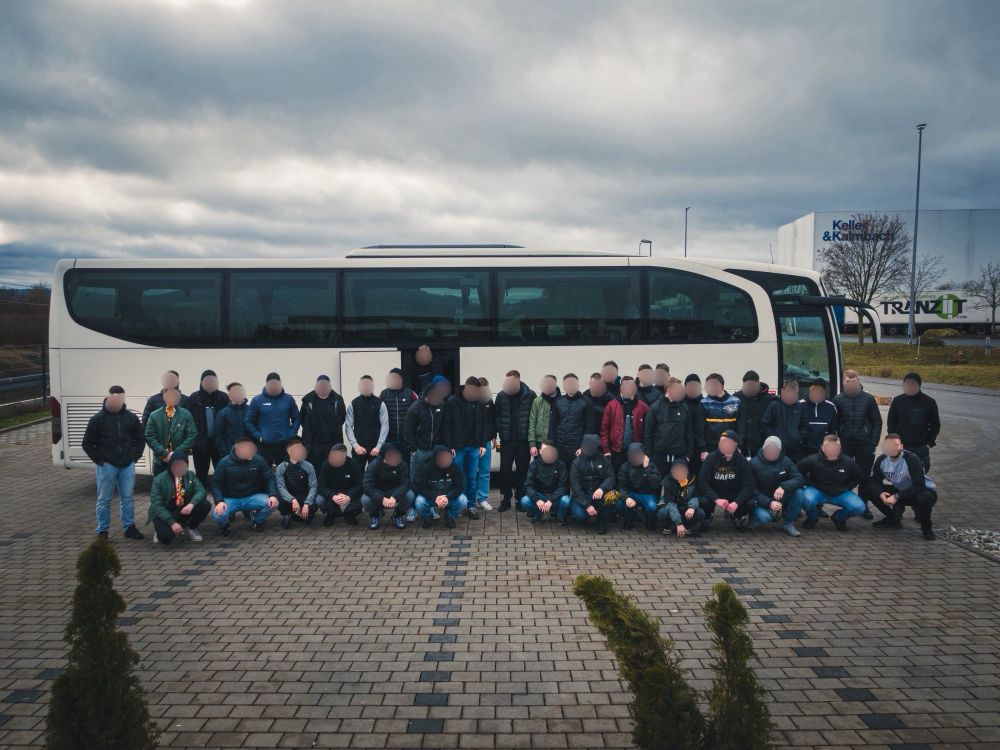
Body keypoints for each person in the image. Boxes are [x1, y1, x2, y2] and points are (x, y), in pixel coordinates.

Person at [82, 385, 146, 540]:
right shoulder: (97, 419)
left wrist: (134, 457)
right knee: (104, 500)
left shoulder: (130, 417)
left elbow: (140, 439)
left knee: (128, 498)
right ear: (109, 397)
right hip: (107, 466)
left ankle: (129, 527)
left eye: (121, 397)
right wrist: (100, 461)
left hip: (127, 465)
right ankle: (102, 530)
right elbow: (87, 443)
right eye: (115, 396)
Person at [863, 434, 938, 540]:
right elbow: (875, 480)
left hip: (923, 492)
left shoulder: (912, 459)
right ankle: (892, 519)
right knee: (869, 490)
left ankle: (927, 528)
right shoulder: (882, 460)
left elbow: (919, 485)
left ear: (901, 446)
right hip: (901, 491)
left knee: (924, 498)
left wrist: (896, 497)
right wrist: (881, 493)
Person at [211, 436, 279, 536]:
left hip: (252, 497)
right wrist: (219, 501)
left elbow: (269, 478)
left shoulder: (259, 460)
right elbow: (215, 484)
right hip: (230, 498)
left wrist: (272, 495)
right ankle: (225, 526)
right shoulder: (224, 463)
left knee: (274, 503)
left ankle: (256, 520)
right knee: (217, 515)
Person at [797, 435, 865, 531]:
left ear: (840, 448)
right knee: (805, 498)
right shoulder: (811, 460)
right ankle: (812, 518)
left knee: (859, 507)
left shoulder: (849, 462)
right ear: (823, 448)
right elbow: (797, 473)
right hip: (817, 491)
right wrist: (810, 484)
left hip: (840, 493)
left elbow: (858, 477)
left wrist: (846, 488)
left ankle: (838, 518)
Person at [443, 377, 487, 518]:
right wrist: (450, 446)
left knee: (472, 478)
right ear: (466, 387)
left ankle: (471, 505)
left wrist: (482, 443)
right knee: (458, 477)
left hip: (474, 447)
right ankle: (459, 504)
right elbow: (447, 425)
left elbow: (482, 425)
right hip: (458, 447)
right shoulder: (452, 401)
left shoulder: (479, 403)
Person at [147, 451, 211, 545]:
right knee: (165, 538)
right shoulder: (159, 480)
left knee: (205, 505)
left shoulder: (190, 475)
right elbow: (156, 505)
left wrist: (191, 504)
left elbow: (201, 490)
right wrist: (172, 523)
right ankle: (160, 529)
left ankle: (191, 528)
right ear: (170, 465)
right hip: (165, 512)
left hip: (183, 509)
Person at [494, 370, 536, 512]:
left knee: (522, 471)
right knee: (505, 470)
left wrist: (532, 440)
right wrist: (500, 432)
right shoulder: (501, 396)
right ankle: (506, 499)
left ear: (518, 381)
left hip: (523, 441)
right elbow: (497, 416)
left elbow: (533, 417)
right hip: (507, 441)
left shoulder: (530, 395)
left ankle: (519, 499)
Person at [404, 383, 446, 521]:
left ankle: (431, 507)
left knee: (432, 481)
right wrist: (414, 448)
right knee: (415, 480)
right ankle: (412, 508)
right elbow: (408, 431)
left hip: (435, 451)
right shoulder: (415, 408)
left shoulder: (441, 405)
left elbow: (443, 427)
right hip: (420, 451)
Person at [698, 430, 755, 531]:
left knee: (750, 503)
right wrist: (716, 499)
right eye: (721, 442)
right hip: (715, 491)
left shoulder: (742, 461)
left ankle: (736, 515)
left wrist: (737, 502)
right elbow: (702, 481)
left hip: (734, 493)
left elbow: (748, 485)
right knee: (703, 500)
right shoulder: (711, 458)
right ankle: (708, 516)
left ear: (735, 444)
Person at [749, 436, 805, 537]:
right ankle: (753, 517)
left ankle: (788, 524)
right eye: (769, 449)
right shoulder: (753, 463)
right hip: (762, 501)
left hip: (780, 497)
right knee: (764, 518)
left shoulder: (787, 461)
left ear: (780, 450)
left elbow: (799, 479)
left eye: (775, 450)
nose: (771, 452)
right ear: (764, 448)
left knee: (799, 493)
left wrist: (784, 487)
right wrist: (769, 503)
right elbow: (751, 489)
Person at [834, 369, 883, 478]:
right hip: (845, 444)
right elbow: (834, 422)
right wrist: (836, 442)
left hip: (865, 444)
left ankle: (863, 495)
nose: (851, 384)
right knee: (843, 474)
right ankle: (846, 495)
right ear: (843, 381)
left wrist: (873, 443)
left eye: (853, 381)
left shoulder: (868, 399)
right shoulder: (837, 399)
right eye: (848, 381)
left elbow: (877, 421)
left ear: (858, 381)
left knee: (864, 475)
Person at [886, 372, 940, 471]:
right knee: (898, 475)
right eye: (906, 384)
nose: (909, 387)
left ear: (918, 385)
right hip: (900, 447)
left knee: (920, 475)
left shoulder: (929, 402)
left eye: (912, 384)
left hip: (920, 448)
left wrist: (929, 443)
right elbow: (891, 423)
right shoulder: (898, 400)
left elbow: (935, 425)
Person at [245, 372, 301, 467]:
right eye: (271, 384)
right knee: (264, 474)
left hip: (284, 445)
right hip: (265, 446)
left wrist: (291, 434)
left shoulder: (288, 399)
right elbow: (248, 421)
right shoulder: (257, 400)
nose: (274, 387)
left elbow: (296, 418)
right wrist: (259, 436)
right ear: (266, 384)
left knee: (285, 474)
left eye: (276, 384)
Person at [564, 434, 615, 534]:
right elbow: (575, 488)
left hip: (599, 492)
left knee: (613, 495)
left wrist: (602, 488)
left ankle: (601, 523)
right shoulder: (576, 463)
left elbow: (611, 477)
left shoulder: (603, 459)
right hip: (584, 495)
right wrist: (587, 505)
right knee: (579, 516)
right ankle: (588, 515)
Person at [187, 368, 229, 487]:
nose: (210, 383)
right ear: (201, 382)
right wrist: (193, 442)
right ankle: (200, 501)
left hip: (219, 445)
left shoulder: (223, 397)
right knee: (201, 475)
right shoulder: (194, 398)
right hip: (200, 445)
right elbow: (188, 422)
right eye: (207, 381)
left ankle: (222, 501)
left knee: (222, 474)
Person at [643, 377, 692, 475]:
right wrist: (649, 455)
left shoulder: (684, 408)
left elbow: (689, 433)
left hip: (679, 457)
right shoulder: (655, 407)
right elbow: (648, 433)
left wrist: (688, 455)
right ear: (669, 390)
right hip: (658, 457)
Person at [144, 386, 196, 476]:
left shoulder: (186, 414)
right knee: (161, 487)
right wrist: (165, 454)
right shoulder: (154, 416)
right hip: (160, 460)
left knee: (179, 487)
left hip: (180, 459)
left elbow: (192, 435)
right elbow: (150, 437)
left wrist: (176, 454)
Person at [601, 376, 649, 473]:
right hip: (616, 451)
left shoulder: (643, 407)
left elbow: (648, 431)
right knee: (616, 476)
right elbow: (604, 429)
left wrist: (646, 451)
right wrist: (606, 449)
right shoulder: (611, 405)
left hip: (636, 451)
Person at [361, 443, 414, 530]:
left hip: (394, 491)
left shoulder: (401, 464)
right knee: (365, 499)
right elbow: (367, 486)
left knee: (410, 495)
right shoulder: (373, 465)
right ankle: (376, 515)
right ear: (383, 458)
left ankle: (397, 515)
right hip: (378, 491)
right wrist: (381, 498)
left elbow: (406, 483)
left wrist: (395, 497)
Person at [413, 445, 468, 529]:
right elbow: (421, 488)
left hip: (448, 497)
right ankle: (427, 517)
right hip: (432, 498)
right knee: (419, 501)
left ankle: (450, 516)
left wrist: (447, 498)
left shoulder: (454, 467)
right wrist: (435, 497)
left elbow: (459, 487)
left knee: (463, 500)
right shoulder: (426, 468)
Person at [299, 374, 345, 471]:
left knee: (332, 468)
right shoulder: (308, 400)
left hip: (332, 442)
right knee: (313, 468)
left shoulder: (338, 400)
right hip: (313, 444)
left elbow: (342, 418)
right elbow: (302, 419)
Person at [345, 375, 389, 473]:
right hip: (359, 448)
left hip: (375, 448)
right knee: (357, 474)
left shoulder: (380, 404)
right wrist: (355, 445)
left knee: (376, 475)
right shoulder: (354, 404)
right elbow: (348, 426)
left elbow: (385, 426)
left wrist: (379, 446)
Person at [615, 442, 661, 531]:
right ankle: (628, 520)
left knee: (652, 506)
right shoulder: (625, 467)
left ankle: (650, 521)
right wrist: (626, 498)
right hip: (630, 493)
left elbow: (655, 485)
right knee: (619, 504)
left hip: (647, 494)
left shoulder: (651, 466)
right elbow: (620, 486)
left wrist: (646, 468)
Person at [698, 373, 743, 462]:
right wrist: (703, 450)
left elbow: (741, 427)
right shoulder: (703, 403)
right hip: (711, 448)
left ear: (722, 386)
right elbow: (699, 429)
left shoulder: (736, 402)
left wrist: (739, 446)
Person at [520, 441, 569, 522]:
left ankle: (560, 516)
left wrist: (551, 500)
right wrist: (537, 500)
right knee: (525, 501)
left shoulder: (561, 465)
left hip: (555, 496)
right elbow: (528, 486)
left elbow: (563, 486)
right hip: (540, 496)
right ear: (540, 452)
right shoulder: (534, 465)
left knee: (566, 500)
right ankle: (538, 514)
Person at [275, 438, 319, 529]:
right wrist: (292, 500)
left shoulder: (309, 466)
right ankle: (287, 515)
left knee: (313, 506)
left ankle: (301, 515)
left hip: (304, 495)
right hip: (289, 496)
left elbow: (313, 486)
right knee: (280, 502)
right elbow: (281, 487)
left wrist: (307, 503)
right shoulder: (281, 467)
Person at [760, 379, 808, 461]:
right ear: (783, 391)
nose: (791, 396)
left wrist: (798, 438)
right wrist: (773, 438)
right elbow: (764, 424)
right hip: (777, 448)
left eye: (793, 394)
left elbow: (805, 425)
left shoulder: (800, 407)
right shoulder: (774, 405)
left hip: (795, 450)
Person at [317, 443, 364, 526]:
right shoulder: (325, 465)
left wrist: (349, 496)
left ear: (344, 455)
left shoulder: (353, 464)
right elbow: (320, 486)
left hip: (349, 491)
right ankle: (331, 513)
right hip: (332, 492)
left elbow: (359, 485)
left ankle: (349, 514)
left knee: (364, 498)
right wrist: (332, 496)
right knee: (319, 499)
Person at [381, 367, 418, 466]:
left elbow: (420, 410)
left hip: (406, 439)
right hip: (389, 438)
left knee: (406, 465)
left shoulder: (410, 393)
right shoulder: (383, 394)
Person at [549, 373, 588, 466]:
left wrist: (584, 446)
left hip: (577, 446)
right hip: (560, 445)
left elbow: (589, 426)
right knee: (561, 472)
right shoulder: (558, 402)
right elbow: (552, 425)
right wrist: (551, 445)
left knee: (575, 472)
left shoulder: (586, 402)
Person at [658, 459, 704, 538]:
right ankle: (667, 527)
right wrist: (679, 523)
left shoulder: (692, 479)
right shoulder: (667, 482)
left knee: (700, 512)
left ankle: (687, 526)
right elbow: (671, 504)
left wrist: (692, 508)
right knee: (663, 513)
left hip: (685, 506)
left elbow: (694, 496)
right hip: (670, 507)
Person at [735, 370, 773, 458]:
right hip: (741, 441)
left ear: (758, 384)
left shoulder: (768, 399)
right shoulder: (737, 397)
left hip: (760, 441)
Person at [476, 377, 497, 511]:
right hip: (472, 443)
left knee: (484, 472)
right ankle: (469, 499)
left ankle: (482, 499)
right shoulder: (470, 401)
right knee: (470, 473)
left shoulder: (489, 401)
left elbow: (493, 419)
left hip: (487, 442)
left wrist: (494, 435)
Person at [213, 382, 249, 461]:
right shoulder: (222, 413)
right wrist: (225, 453)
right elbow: (218, 436)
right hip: (230, 454)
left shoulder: (250, 410)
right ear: (229, 395)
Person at [801, 381, 838, 455]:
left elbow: (833, 429)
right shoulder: (800, 405)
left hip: (824, 449)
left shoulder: (831, 407)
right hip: (803, 449)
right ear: (810, 392)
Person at [528, 374, 560, 457]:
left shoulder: (562, 401)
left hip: (557, 442)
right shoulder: (537, 401)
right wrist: (532, 444)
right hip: (540, 442)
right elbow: (532, 422)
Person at [683, 374, 704, 476]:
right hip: (685, 446)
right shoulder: (681, 403)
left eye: (695, 385)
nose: (693, 388)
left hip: (702, 447)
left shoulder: (704, 403)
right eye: (690, 386)